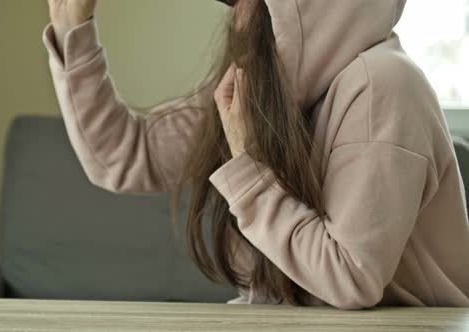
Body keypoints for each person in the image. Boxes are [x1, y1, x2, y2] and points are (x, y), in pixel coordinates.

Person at [43, 0, 469, 309]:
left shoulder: (387, 87)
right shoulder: (262, 89)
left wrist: (245, 164)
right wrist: (72, 31)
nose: (235, 16)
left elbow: (350, 277)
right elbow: (122, 158)